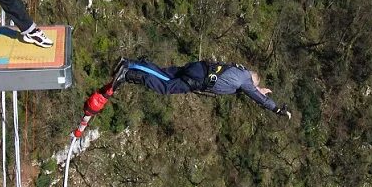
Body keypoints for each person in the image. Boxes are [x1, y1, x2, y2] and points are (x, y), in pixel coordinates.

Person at [111, 58, 292, 118]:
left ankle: (129, 63)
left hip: (200, 68)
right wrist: (276, 109)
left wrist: (257, 90)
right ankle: (127, 73)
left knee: (163, 74)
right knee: (165, 85)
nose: (253, 88)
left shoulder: (238, 71)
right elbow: (257, 96)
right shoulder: (245, 80)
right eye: (254, 85)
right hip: (199, 78)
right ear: (253, 80)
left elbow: (253, 92)